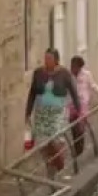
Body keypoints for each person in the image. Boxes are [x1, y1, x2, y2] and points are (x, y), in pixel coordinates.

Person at [24, 48, 80, 176]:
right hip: (42, 113)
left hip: (57, 112)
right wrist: (28, 111)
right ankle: (49, 164)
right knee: (43, 142)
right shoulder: (38, 73)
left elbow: (73, 91)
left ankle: (59, 163)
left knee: (56, 139)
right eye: (45, 58)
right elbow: (32, 93)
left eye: (49, 59)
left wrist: (78, 109)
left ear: (56, 60)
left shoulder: (64, 73)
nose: (46, 61)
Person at [68, 55, 98, 157]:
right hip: (72, 104)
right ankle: (76, 147)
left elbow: (93, 86)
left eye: (74, 66)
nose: (72, 68)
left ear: (79, 67)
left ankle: (79, 150)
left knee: (80, 127)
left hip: (83, 105)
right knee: (73, 127)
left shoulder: (87, 75)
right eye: (72, 66)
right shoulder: (69, 76)